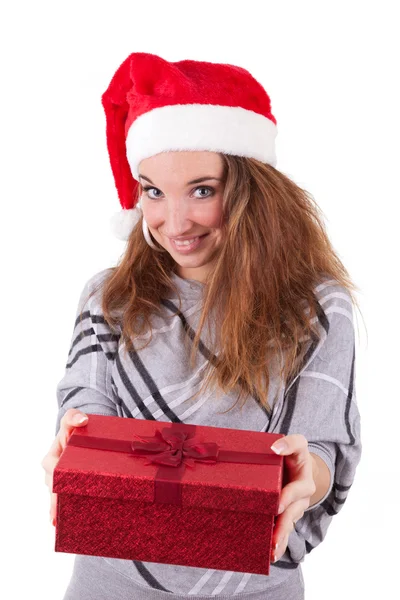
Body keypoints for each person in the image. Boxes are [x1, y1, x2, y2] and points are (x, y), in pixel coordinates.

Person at [41, 51, 362, 600]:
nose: (174, 222)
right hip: (110, 582)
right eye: (153, 191)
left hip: (254, 583)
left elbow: (324, 448)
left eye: (203, 190)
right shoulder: (108, 295)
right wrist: (72, 449)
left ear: (251, 191)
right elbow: (86, 409)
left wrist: (304, 476)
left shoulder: (317, 306)